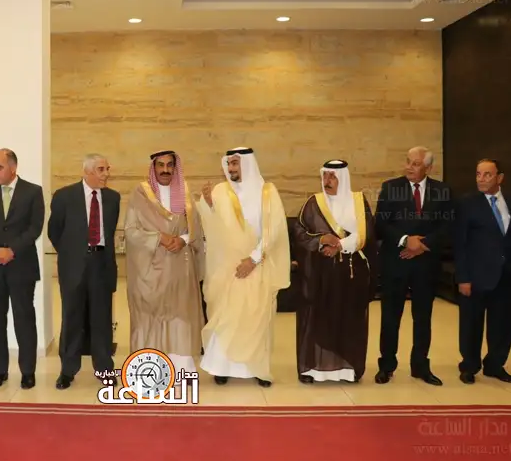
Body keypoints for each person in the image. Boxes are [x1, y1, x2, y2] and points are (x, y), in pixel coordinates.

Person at [196, 147, 290, 386]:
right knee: (225, 318)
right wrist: (208, 205)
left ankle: (256, 368)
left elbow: (274, 230)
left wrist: (253, 259)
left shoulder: (267, 192)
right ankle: (221, 367)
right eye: (229, 164)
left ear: (247, 164)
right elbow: (213, 227)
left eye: (235, 163)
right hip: (226, 269)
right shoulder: (220, 191)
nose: (231, 168)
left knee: (256, 319)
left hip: (257, 264)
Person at [291, 160, 378, 384]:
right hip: (319, 274)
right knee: (318, 319)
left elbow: (366, 233)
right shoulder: (313, 202)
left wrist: (340, 245)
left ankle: (347, 369)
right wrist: (321, 240)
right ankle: (314, 369)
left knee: (348, 319)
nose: (327, 181)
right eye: (325, 176)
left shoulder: (358, 201)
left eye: (332, 177)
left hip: (350, 272)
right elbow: (299, 232)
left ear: (343, 178)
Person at [374, 146, 453, 386]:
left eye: (416, 163)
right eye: (408, 161)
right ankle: (386, 365)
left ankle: (420, 366)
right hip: (395, 262)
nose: (409, 167)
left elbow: (448, 226)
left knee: (423, 318)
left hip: (426, 264)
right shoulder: (390, 188)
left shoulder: (443, 191)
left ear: (429, 167)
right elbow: (381, 224)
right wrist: (405, 240)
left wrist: (423, 244)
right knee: (390, 317)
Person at [124, 150, 205, 373]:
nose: (166, 170)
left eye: (170, 165)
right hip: (150, 270)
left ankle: (181, 368)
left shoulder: (185, 193)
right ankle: (151, 368)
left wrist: (183, 240)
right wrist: (159, 238)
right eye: (161, 165)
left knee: (181, 316)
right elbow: (131, 231)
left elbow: (196, 228)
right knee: (150, 318)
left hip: (181, 267)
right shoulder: (140, 194)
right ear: (154, 168)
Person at [0, 148, 45, 390]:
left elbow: (34, 228)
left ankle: (28, 371)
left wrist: (12, 250)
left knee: (24, 320)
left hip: (22, 266)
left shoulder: (33, 192)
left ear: (13, 168)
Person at [48, 153, 120, 390]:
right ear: (87, 171)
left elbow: (110, 232)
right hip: (74, 267)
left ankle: (104, 368)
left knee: (102, 319)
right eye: (101, 169)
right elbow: (54, 231)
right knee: (72, 318)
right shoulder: (64, 196)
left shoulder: (113, 198)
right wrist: (73, 254)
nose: (106, 174)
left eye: (107, 169)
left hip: (102, 265)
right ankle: (67, 370)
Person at [454, 159, 511, 385]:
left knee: (503, 324)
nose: (481, 179)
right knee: (471, 324)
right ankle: (469, 366)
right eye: (478, 174)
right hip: (475, 276)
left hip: (508, 275)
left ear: (499, 178)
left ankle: (495, 365)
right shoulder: (467, 204)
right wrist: (463, 277)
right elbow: (460, 243)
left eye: (487, 175)